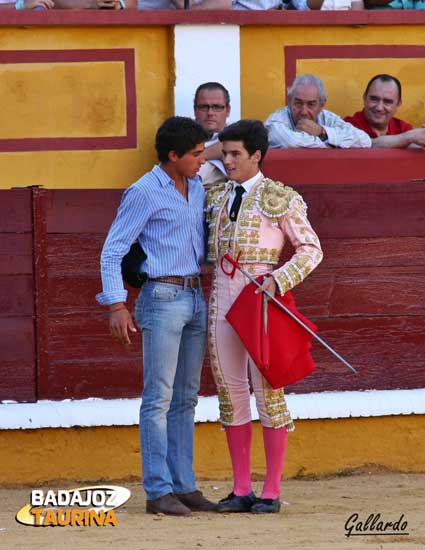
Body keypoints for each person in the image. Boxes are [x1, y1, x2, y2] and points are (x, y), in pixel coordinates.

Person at [97, 116, 216, 516]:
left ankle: (184, 486)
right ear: (173, 156)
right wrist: (116, 304)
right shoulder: (144, 192)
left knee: (185, 397)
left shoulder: (196, 185)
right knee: (159, 398)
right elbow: (113, 250)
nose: (203, 160)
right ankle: (158, 490)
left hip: (196, 294)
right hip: (162, 296)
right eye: (197, 154)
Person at [205, 119, 323, 513]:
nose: (229, 160)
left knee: (269, 393)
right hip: (222, 297)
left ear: (257, 155)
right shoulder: (216, 195)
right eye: (225, 153)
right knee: (230, 392)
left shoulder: (278, 197)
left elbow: (311, 249)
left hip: (261, 298)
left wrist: (278, 279)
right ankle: (241, 488)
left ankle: (271, 490)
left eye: (236, 153)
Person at [264, 74, 371, 149]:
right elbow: (292, 143)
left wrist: (322, 132)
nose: (304, 111)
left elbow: (364, 140)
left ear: (322, 105)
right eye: (298, 103)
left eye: (311, 104)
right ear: (289, 100)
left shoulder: (327, 117)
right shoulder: (276, 121)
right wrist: (333, 145)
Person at [345, 74, 425, 148]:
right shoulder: (347, 126)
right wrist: (406, 138)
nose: (379, 108)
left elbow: (415, 147)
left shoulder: (402, 128)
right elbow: (367, 144)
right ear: (365, 98)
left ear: (398, 104)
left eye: (387, 102)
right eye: (374, 99)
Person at [194, 82, 231, 188]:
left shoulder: (238, 132)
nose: (210, 113)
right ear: (195, 110)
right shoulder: (181, 133)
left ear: (228, 110)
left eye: (217, 107)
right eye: (204, 107)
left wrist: (196, 157)